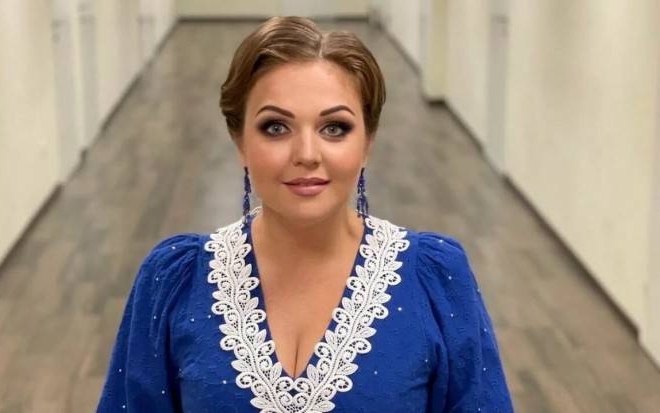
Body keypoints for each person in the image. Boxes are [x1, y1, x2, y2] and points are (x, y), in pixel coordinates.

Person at [96, 15, 514, 413]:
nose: (307, 154)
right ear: (239, 141)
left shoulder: (435, 279)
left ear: (368, 142)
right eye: (276, 127)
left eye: (335, 128)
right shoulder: (174, 282)